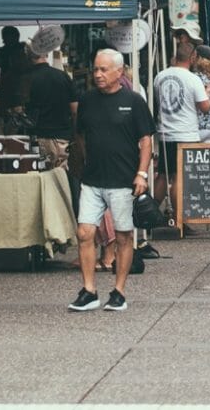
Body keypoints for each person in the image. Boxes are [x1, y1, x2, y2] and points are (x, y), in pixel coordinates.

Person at [70, 50, 155, 312]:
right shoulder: (87, 100)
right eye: (96, 69)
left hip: (122, 179)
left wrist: (141, 174)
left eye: (104, 69)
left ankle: (119, 291)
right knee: (84, 232)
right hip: (93, 179)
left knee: (123, 236)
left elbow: (146, 141)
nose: (98, 74)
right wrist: (85, 162)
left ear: (119, 72)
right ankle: (89, 290)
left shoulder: (134, 101)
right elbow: (82, 135)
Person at [154, 43, 210, 182]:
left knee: (163, 174)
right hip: (186, 135)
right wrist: (208, 93)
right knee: (182, 177)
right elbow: (205, 107)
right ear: (192, 58)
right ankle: (178, 205)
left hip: (165, 134)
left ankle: (154, 204)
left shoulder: (160, 76)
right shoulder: (193, 79)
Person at [25, 46, 79, 177]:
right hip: (62, 137)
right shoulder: (63, 76)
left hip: (39, 136)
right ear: (46, 54)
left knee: (41, 177)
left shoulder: (27, 79)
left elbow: (20, 110)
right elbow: (75, 110)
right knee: (61, 178)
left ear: (29, 56)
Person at [0, 27, 32, 125]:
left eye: (5, 37)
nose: (3, 40)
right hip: (19, 92)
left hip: (9, 91)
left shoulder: (3, 51)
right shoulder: (24, 49)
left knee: (7, 120)